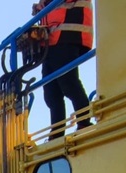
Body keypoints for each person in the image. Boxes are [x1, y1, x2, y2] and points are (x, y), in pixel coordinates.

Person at [33, 0, 93, 139]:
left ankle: (84, 121)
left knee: (69, 84)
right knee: (51, 93)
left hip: (67, 36)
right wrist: (40, 8)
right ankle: (56, 133)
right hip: (51, 42)